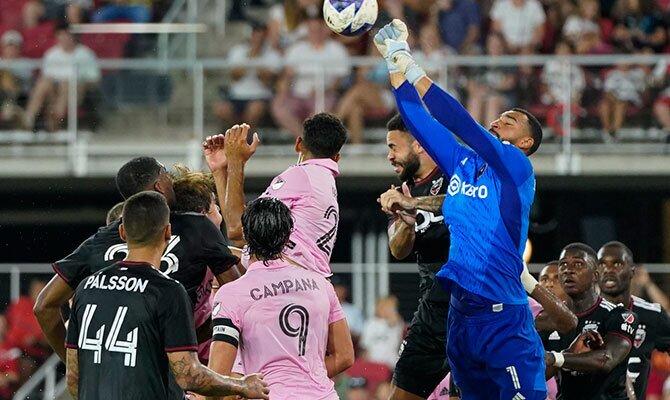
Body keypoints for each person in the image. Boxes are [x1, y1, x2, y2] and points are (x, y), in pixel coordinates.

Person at [374, 20, 546, 399]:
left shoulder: (517, 169)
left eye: (512, 119)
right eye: (503, 115)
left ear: (528, 141)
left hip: (504, 317)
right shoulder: (463, 162)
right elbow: (419, 122)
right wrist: (393, 65)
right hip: (460, 317)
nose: (501, 118)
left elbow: (459, 122)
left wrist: (412, 65)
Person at [64, 191, 269, 399]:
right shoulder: (167, 291)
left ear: (123, 233)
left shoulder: (85, 288)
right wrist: (240, 385)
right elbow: (189, 376)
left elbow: (73, 377)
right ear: (168, 232)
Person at [34, 157, 240, 363]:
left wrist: (74, 365)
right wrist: (194, 337)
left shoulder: (99, 241)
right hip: (167, 369)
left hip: (111, 368)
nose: (172, 182)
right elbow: (238, 299)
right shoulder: (198, 227)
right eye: (167, 175)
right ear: (159, 186)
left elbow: (44, 307)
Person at [207, 197, 354, 399]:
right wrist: (305, 381)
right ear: (287, 237)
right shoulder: (322, 284)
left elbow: (218, 376)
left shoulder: (232, 294)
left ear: (246, 237)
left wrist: (243, 389)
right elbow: (344, 356)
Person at [203, 113, 347, 277]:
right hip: (307, 283)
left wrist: (236, 160)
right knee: (222, 255)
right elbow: (244, 236)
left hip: (287, 282)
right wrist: (220, 170)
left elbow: (237, 229)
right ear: (336, 158)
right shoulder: (323, 181)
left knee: (207, 254)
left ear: (299, 144)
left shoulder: (301, 175)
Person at [377, 112, 451, 399]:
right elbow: (398, 250)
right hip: (431, 314)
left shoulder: (453, 174)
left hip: (471, 309)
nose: (389, 156)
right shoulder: (404, 192)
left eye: (393, 147)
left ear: (419, 144)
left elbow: (465, 201)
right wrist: (406, 220)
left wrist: (414, 203)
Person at [541, 243, 639, 400]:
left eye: (578, 264)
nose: (568, 269)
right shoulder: (547, 320)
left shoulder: (619, 316)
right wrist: (563, 356)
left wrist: (555, 358)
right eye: (563, 264)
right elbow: (538, 376)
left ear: (595, 275)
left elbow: (607, 359)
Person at [597, 241, 670, 400]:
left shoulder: (652, 315)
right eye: (602, 264)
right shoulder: (581, 315)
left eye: (617, 264)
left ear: (632, 271)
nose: (608, 270)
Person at [23, 22, 100, 132]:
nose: (64, 38)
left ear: (73, 36)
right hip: (55, 90)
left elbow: (94, 78)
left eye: (67, 35)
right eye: (61, 35)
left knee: (66, 83)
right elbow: (47, 76)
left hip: (77, 90)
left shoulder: (85, 54)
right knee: (43, 84)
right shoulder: (51, 54)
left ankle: (57, 119)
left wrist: (75, 82)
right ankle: (28, 119)